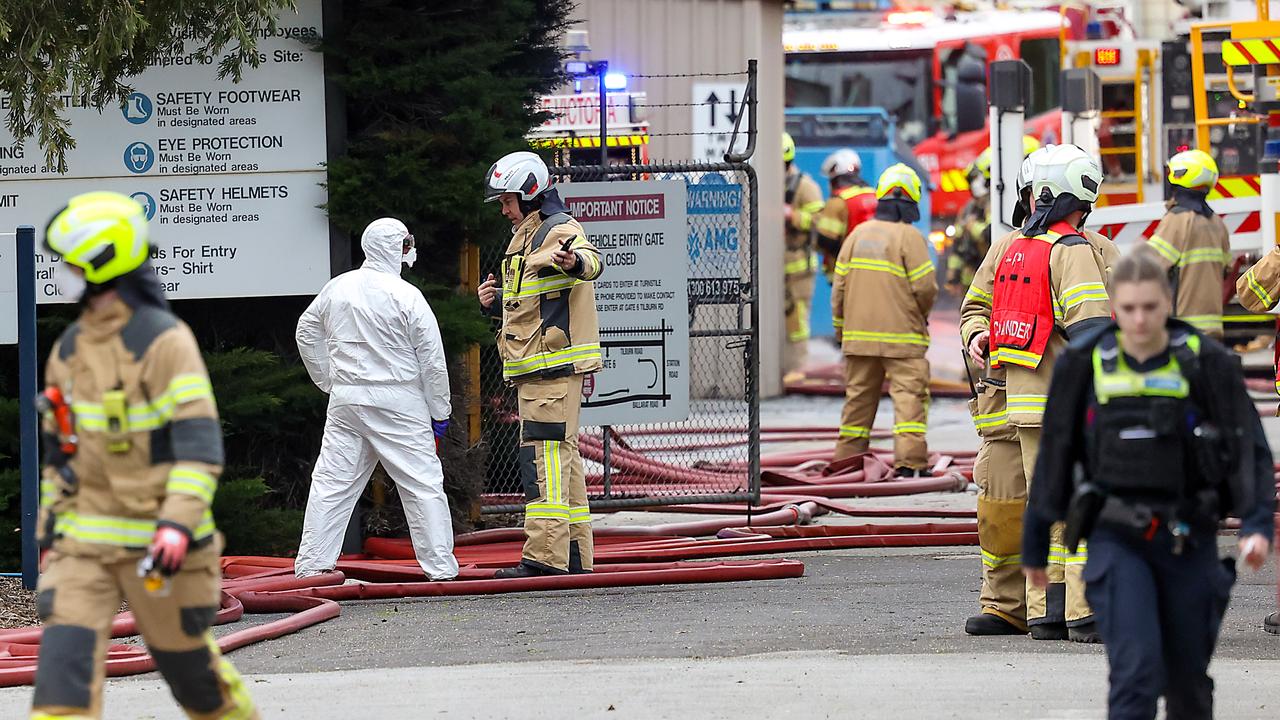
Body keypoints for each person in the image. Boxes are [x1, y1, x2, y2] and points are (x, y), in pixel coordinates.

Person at [32, 191, 258, 719]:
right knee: (60, 685)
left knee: (192, 679)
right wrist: (49, 537)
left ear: (100, 262)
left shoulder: (163, 342)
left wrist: (176, 525)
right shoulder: (69, 350)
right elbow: (59, 454)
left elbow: (198, 447)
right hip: (82, 547)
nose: (59, 274)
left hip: (161, 548)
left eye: (66, 263)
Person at [1024, 247, 1275, 719]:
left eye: (1151, 308)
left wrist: (1256, 523)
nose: (1139, 321)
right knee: (1135, 677)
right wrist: (1035, 544)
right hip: (1117, 540)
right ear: (1114, 308)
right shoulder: (1085, 362)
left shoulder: (1206, 361)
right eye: (1129, 309)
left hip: (1188, 539)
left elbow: (1248, 449)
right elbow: (1056, 453)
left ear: (1169, 304)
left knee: (1187, 686)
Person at [963, 146, 1120, 636]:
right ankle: (1019, 607)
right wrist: (977, 337)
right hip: (1010, 407)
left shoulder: (1094, 251)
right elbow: (975, 307)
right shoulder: (1009, 248)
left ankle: (1048, 612)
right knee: (1008, 510)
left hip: (1037, 403)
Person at [295, 218, 458, 581]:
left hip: (347, 402)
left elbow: (306, 331)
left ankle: (312, 566)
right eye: (405, 244)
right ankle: (440, 569)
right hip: (399, 402)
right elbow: (432, 360)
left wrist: (329, 379)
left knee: (332, 483)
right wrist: (439, 411)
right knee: (421, 484)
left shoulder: (338, 288)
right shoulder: (406, 296)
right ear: (397, 248)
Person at [477, 151, 604, 577]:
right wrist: (494, 306)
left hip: (548, 370)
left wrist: (575, 262)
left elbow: (589, 259)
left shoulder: (559, 229)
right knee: (562, 463)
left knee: (543, 462)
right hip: (540, 369)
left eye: (508, 200)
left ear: (531, 192)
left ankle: (544, 558)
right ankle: (572, 557)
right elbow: (532, 306)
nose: (503, 209)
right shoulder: (527, 236)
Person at [831, 163, 936, 474]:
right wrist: (920, 317)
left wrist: (842, 332)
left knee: (857, 406)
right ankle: (910, 464)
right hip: (903, 342)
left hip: (858, 340)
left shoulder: (856, 235)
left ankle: (846, 465)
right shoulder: (909, 237)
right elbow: (925, 288)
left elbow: (839, 290)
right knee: (909, 402)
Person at [1144, 149, 1231, 338]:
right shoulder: (1217, 224)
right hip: (1213, 331)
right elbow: (1226, 271)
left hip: (1182, 331)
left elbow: (1147, 268)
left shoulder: (1177, 220)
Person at [949, 137, 1042, 293]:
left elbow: (990, 233)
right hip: (980, 277)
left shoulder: (1002, 202)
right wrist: (953, 277)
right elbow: (960, 244)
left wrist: (972, 227)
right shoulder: (979, 205)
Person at [782, 132, 826, 383]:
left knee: (796, 320)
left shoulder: (805, 187)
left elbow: (821, 224)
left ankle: (796, 368)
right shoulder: (764, 183)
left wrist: (793, 216)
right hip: (773, 268)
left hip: (798, 268)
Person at [814, 148, 878, 280]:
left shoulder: (837, 202)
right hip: (873, 271)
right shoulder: (874, 195)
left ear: (835, 179)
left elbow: (825, 241)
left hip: (846, 275)